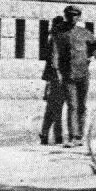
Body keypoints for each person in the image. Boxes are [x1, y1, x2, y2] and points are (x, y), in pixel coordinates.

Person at [50, 5, 96, 148]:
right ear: (66, 16)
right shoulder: (59, 33)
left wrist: (93, 56)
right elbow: (55, 53)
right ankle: (73, 137)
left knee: (82, 106)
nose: (73, 18)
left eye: (76, 15)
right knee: (72, 105)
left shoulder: (83, 32)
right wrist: (57, 71)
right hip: (68, 74)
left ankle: (80, 136)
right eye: (70, 15)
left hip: (83, 74)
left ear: (79, 17)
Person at [39, 14, 69, 146]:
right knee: (56, 108)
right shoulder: (56, 40)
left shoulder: (54, 39)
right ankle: (57, 136)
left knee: (52, 108)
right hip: (57, 78)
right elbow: (52, 62)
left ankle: (45, 134)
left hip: (54, 78)